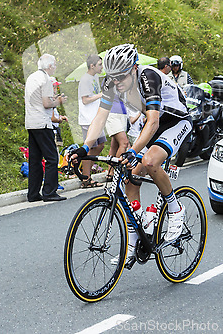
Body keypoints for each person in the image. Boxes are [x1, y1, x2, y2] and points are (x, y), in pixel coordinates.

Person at [71, 43, 192, 265]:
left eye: (121, 78)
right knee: (131, 177)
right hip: (152, 125)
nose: (116, 83)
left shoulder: (148, 77)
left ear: (134, 68)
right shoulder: (112, 81)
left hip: (175, 121)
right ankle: (134, 240)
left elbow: (154, 121)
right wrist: (84, 148)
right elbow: (100, 118)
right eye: (112, 77)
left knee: (149, 160)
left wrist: (133, 151)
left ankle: (176, 209)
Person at [24, 54, 67, 202]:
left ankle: (33, 193)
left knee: (34, 159)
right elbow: (47, 103)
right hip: (43, 122)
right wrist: (59, 101)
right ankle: (49, 192)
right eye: (54, 65)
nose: (55, 67)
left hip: (31, 121)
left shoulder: (31, 77)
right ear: (49, 66)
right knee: (52, 158)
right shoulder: (46, 80)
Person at [78, 54, 105, 188]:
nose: (102, 67)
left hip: (96, 118)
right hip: (88, 119)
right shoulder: (85, 79)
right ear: (92, 66)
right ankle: (86, 178)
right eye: (99, 65)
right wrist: (100, 95)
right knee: (89, 148)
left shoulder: (94, 78)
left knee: (100, 145)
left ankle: (84, 166)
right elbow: (85, 100)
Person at [105, 95, 130, 182]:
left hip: (123, 112)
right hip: (112, 113)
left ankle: (110, 172)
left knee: (115, 145)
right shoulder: (110, 82)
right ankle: (117, 171)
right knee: (124, 143)